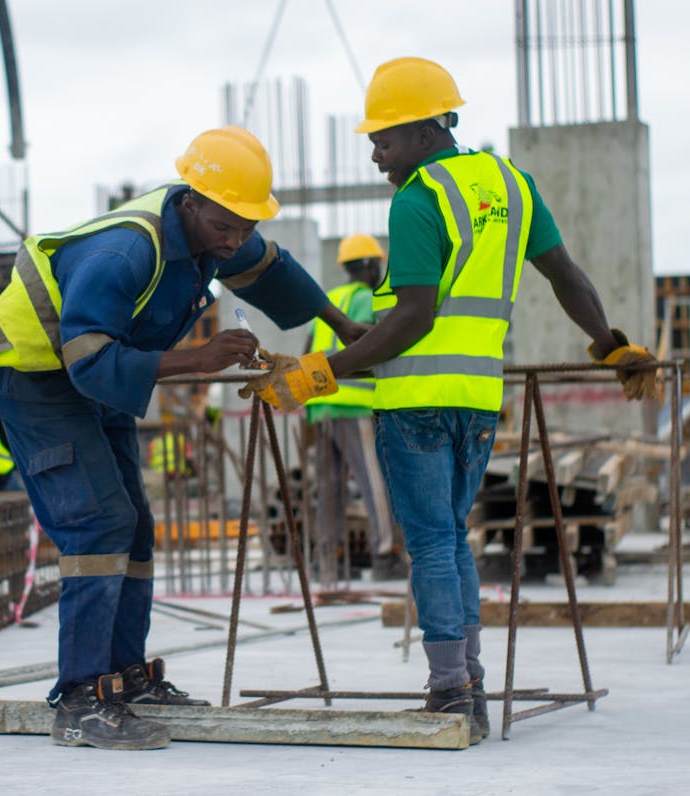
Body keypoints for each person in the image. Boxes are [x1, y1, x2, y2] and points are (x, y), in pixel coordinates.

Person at [244, 57, 659, 744]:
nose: (376, 153)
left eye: (384, 138)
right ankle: (467, 678)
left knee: (432, 543)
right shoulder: (512, 184)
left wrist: (320, 373)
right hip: (476, 401)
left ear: (425, 128)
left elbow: (412, 318)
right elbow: (567, 276)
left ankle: (450, 693)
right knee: (453, 540)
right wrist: (610, 343)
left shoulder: (416, 199)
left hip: (416, 403)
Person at [0, 125, 351, 750]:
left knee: (135, 527)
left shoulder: (219, 230)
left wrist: (346, 327)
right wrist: (199, 359)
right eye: (226, 226)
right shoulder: (125, 253)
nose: (235, 241)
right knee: (98, 522)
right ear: (191, 202)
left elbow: (273, 273)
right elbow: (87, 360)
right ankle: (79, 699)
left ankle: (124, 680)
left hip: (99, 370)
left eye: (244, 228)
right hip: (34, 375)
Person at [304, 234, 399, 582]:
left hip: (321, 406)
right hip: (353, 403)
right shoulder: (365, 299)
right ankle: (385, 555)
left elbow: (308, 347)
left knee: (329, 487)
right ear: (372, 265)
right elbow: (374, 342)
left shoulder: (330, 300)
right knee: (372, 480)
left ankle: (326, 559)